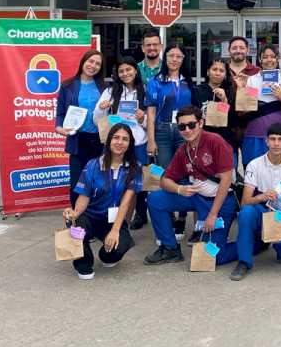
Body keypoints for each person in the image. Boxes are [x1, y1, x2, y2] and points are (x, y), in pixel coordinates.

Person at [144, 106, 239, 266]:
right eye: (182, 127)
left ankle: (251, 244)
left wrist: (213, 214)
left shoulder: (215, 141)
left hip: (221, 202)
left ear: (200, 123)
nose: (187, 130)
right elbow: (165, 180)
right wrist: (179, 189)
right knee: (155, 199)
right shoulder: (183, 150)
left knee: (213, 257)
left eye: (191, 125)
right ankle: (170, 248)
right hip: (197, 197)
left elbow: (226, 179)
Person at [62, 123, 142, 280]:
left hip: (113, 219)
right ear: (109, 141)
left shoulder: (135, 167)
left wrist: (115, 231)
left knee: (115, 253)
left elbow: (125, 203)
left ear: (130, 144)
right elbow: (84, 196)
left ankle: (106, 254)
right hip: (90, 216)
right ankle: (84, 263)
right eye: (116, 137)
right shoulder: (93, 165)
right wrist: (74, 214)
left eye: (125, 139)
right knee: (75, 224)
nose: (119, 142)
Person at [227, 122, 281, 281]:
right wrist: (262, 197)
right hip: (260, 209)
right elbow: (245, 201)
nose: (276, 143)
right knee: (246, 213)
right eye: (273, 139)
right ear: (266, 141)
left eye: (280, 139)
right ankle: (244, 262)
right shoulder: (254, 165)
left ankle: (277, 245)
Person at [93, 56, 149, 230]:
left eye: (129, 69)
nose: (125, 74)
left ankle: (139, 214)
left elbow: (152, 121)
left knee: (138, 182)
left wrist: (143, 118)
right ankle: (115, 219)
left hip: (139, 144)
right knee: (114, 181)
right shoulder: (110, 92)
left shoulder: (145, 90)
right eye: (121, 71)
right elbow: (97, 120)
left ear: (136, 70)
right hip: (117, 144)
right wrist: (101, 109)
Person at [145, 45, 194, 242]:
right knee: (166, 174)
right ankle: (170, 217)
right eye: (171, 56)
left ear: (183, 59)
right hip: (163, 131)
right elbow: (150, 112)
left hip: (185, 131)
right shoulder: (156, 81)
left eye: (178, 56)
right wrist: (151, 139)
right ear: (165, 58)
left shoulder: (187, 82)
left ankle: (182, 217)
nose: (174, 59)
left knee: (184, 172)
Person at [55, 49, 106, 207]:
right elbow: (60, 113)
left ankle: (95, 217)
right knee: (77, 183)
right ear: (83, 62)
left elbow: (111, 114)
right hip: (78, 140)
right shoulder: (67, 85)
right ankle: (76, 219)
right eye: (91, 61)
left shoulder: (105, 87)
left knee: (98, 182)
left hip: (100, 140)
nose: (93, 66)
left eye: (98, 63)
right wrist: (59, 128)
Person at [243, 44, 281, 163]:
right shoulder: (251, 81)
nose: (269, 60)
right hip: (256, 135)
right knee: (255, 172)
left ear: (277, 59)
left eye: (272, 56)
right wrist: (244, 92)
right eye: (265, 57)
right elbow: (246, 110)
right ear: (260, 60)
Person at [193, 58, 238, 155]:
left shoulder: (230, 92)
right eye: (214, 69)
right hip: (202, 142)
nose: (217, 73)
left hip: (225, 141)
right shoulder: (197, 91)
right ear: (208, 72)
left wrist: (224, 100)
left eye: (221, 71)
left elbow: (234, 121)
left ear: (225, 75)